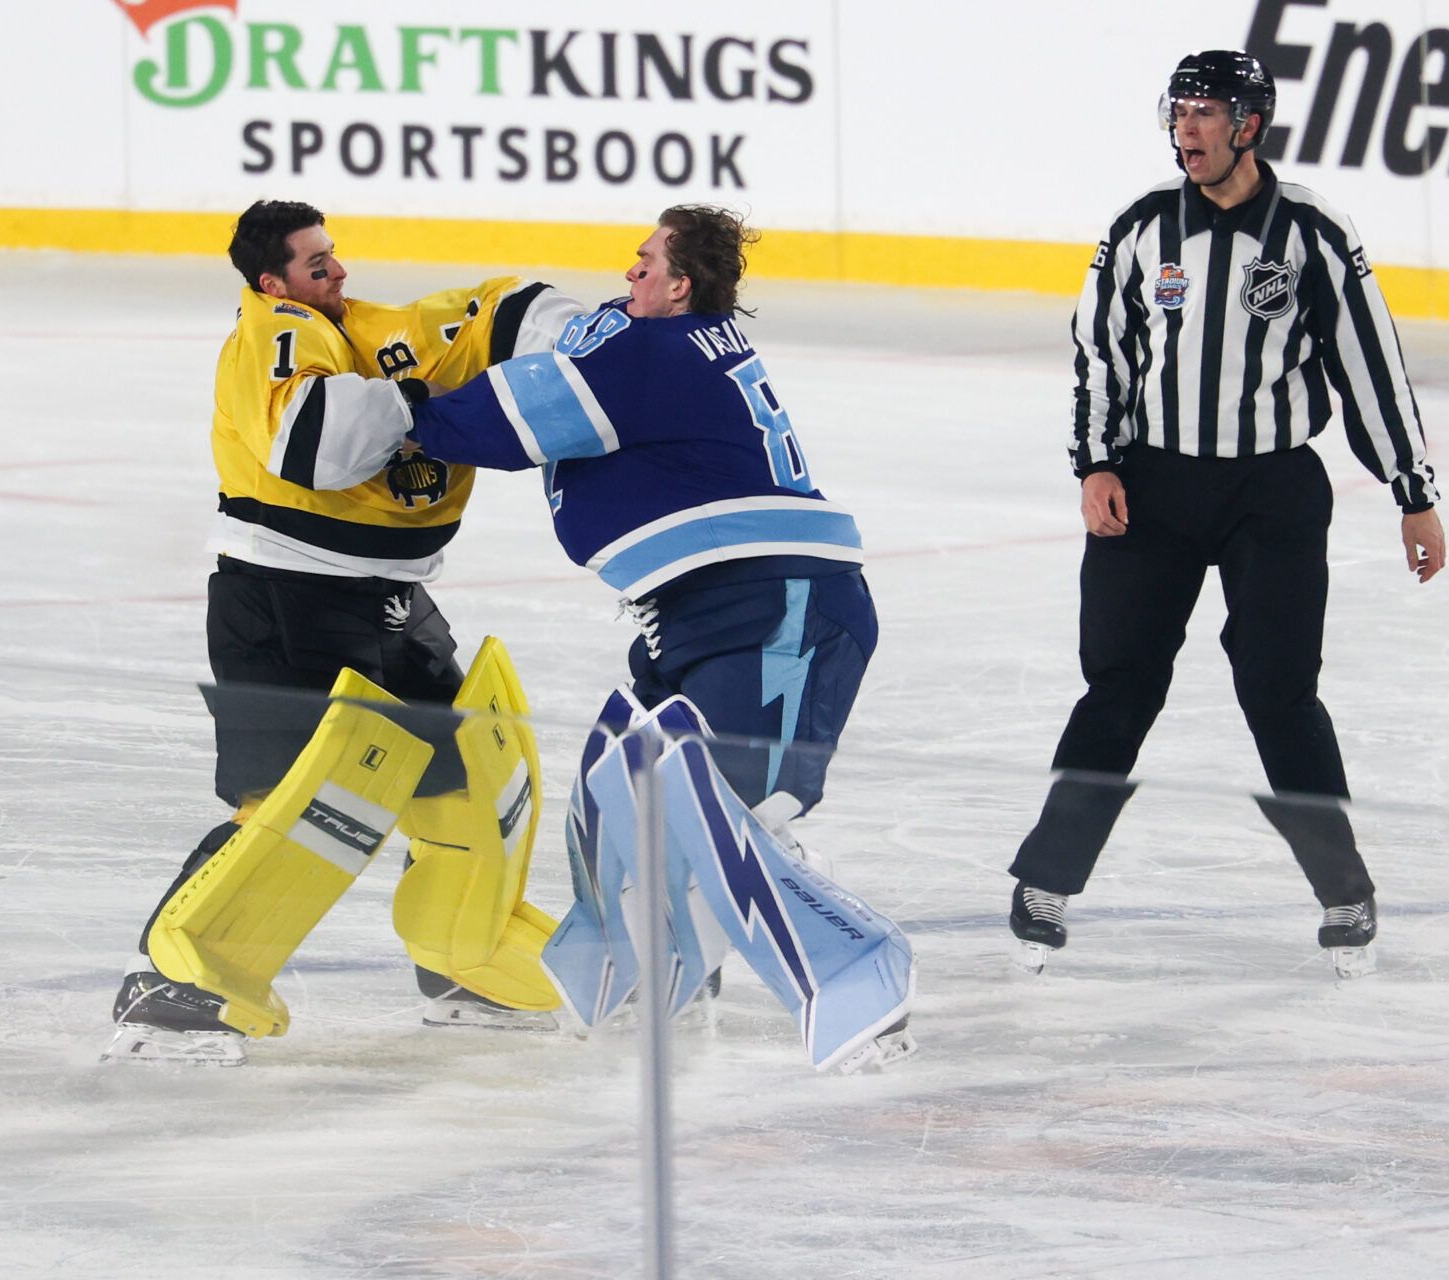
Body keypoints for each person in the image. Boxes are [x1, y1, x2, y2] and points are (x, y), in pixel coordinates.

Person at [359, 205, 914, 1069]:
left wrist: (397, 406)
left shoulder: (647, 356)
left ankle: (858, 978)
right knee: (626, 791)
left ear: (681, 285)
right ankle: (674, 978)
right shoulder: (674, 340)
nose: (629, 277)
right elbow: (584, 337)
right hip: (704, 613)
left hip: (775, 611)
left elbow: (498, 421)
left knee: (731, 820)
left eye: (644, 263)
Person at [105, 200, 579, 1064]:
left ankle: (460, 961)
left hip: (391, 600)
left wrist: (601, 337)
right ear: (269, 280)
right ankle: (170, 987)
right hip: (284, 599)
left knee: (468, 774)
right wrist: (416, 399)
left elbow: (497, 311)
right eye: (314, 263)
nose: (336, 271)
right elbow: (316, 445)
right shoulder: (271, 336)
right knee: (287, 803)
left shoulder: (369, 326)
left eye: (333, 255)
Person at [1005, 51, 1447, 978]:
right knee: (1120, 687)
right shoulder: (1137, 231)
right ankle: (1045, 881)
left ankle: (1343, 890)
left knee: (1280, 693)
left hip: (1271, 494)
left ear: (1249, 124)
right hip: (1153, 491)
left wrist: (1413, 491)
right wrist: (1095, 465)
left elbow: (1371, 366)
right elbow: (1099, 358)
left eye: (1205, 113)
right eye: (1178, 113)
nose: (1186, 131)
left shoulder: (1315, 233)